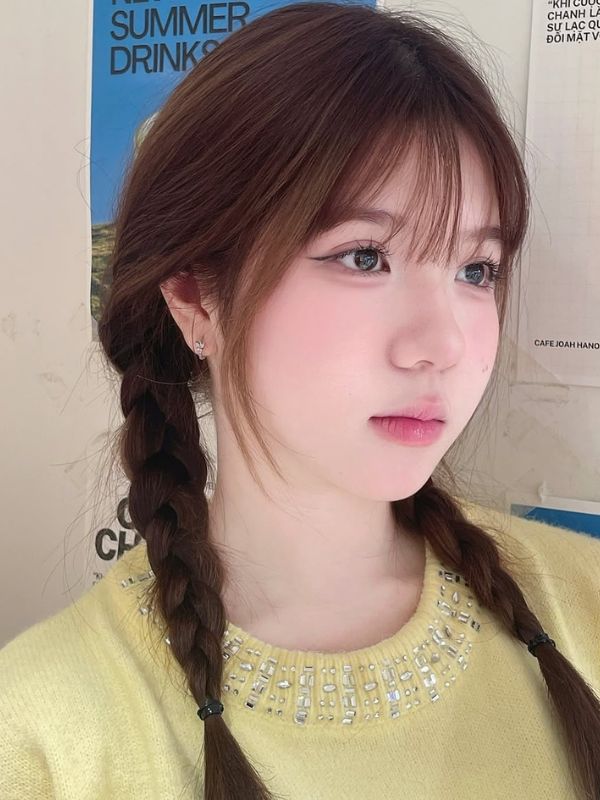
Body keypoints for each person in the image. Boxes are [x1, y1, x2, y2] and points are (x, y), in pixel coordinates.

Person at [1, 2, 599, 799]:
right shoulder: (42, 734)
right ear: (196, 298)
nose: (443, 345)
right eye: (364, 256)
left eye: (475, 270)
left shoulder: (584, 604)